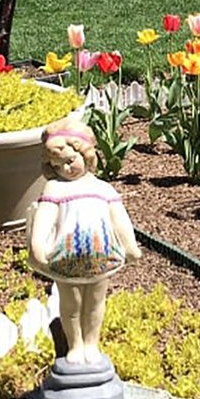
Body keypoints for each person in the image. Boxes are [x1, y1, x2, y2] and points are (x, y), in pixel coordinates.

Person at [28, 117, 142, 365]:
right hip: (65, 257)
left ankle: (91, 343)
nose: (66, 169)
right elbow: (45, 217)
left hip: (101, 255)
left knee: (95, 301)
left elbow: (119, 219)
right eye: (58, 165)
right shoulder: (54, 189)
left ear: (86, 154)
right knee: (71, 303)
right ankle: (75, 344)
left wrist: (130, 245)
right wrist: (37, 246)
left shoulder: (103, 188)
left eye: (70, 161)